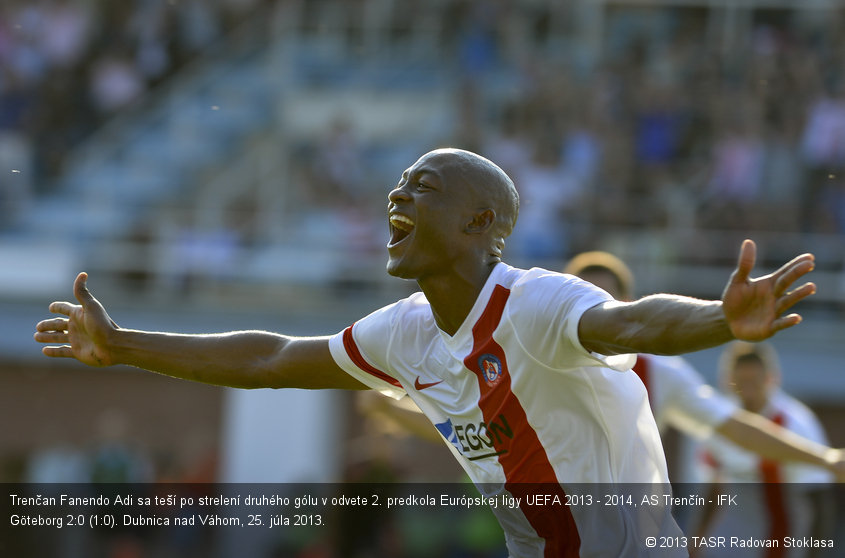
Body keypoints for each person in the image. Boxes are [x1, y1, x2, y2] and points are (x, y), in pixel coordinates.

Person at [35, 148, 823, 557]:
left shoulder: (538, 302)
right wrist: (122, 344)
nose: (396, 197)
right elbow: (271, 360)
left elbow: (637, 324)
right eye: (398, 186)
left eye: (423, 186)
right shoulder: (402, 331)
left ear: (481, 223)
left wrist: (720, 321)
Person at [562, 251, 844, 479]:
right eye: (582, 301)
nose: (592, 313)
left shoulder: (660, 373)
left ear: (628, 304)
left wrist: (826, 458)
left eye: (602, 302)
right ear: (560, 306)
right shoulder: (533, 353)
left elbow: (734, 427)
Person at [692, 342, 834, 558]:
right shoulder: (719, 423)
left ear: (771, 379)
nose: (747, 390)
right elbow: (713, 489)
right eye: (741, 382)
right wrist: (696, 541)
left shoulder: (796, 424)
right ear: (728, 381)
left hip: (785, 546)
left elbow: (820, 501)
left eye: (754, 382)